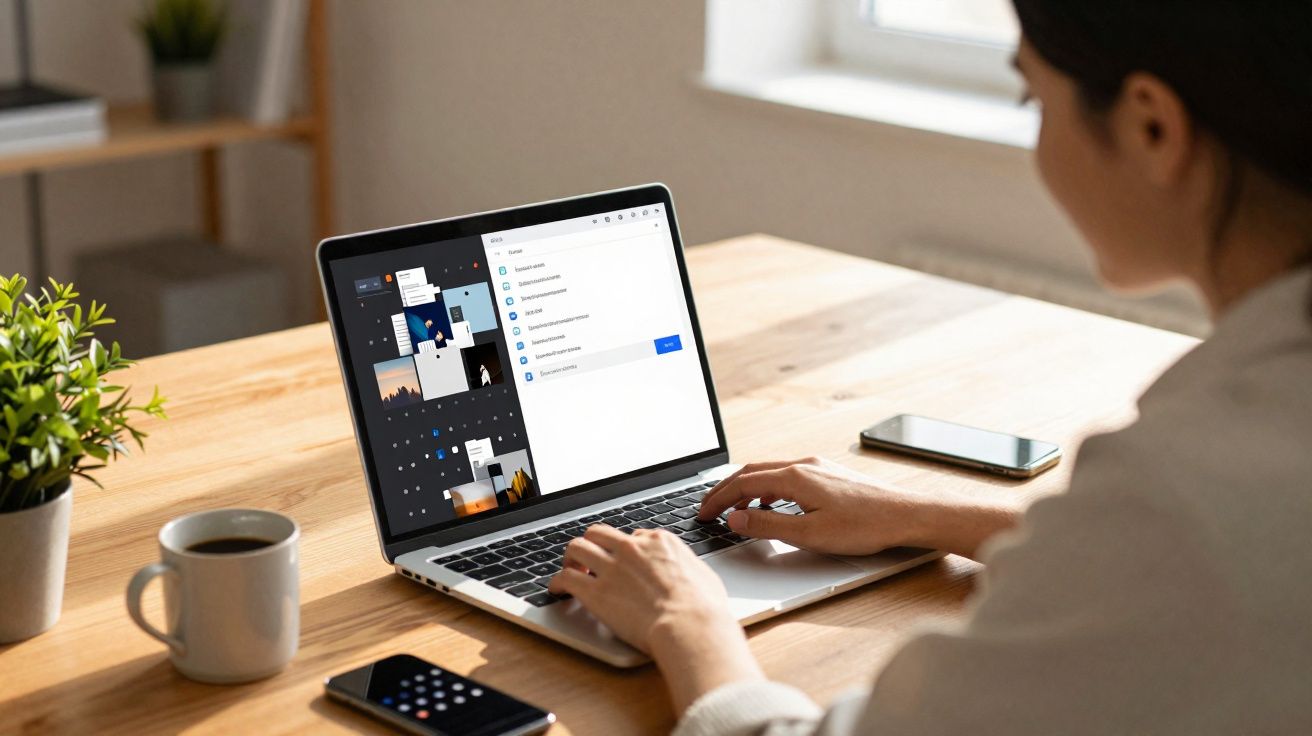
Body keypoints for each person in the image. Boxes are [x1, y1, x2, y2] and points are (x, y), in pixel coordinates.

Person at [546, 2, 1312, 733]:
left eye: (1033, 97)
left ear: (1152, 127)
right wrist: (920, 517)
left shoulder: (1182, 495)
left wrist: (690, 623)